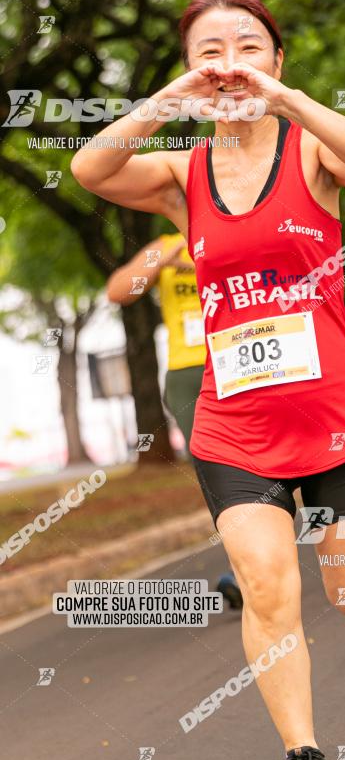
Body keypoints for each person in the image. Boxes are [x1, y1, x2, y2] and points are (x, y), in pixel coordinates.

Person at [71, 0, 345, 760]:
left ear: (275, 59)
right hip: (235, 427)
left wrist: (286, 101)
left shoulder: (310, 152)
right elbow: (90, 167)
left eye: (247, 47)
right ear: (190, 70)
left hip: (341, 418)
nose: (229, 64)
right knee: (268, 585)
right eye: (209, 51)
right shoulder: (181, 172)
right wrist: (171, 98)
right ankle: (304, 759)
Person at [106, 233, 242, 610]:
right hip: (187, 373)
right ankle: (244, 570)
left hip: (240, 356)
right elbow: (119, 291)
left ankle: (263, 552)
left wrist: (199, 262)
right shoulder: (165, 244)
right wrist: (163, 260)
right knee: (215, 473)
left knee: (264, 463)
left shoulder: (232, 228)